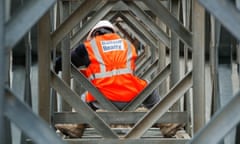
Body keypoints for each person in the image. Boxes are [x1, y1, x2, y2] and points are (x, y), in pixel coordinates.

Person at [54, 20, 161, 138]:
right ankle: (166, 122)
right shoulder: (127, 45)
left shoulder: (89, 47)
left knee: (84, 98)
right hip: (131, 97)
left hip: (101, 100)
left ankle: (76, 126)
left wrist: (55, 67)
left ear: (95, 34)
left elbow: (63, 62)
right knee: (149, 89)